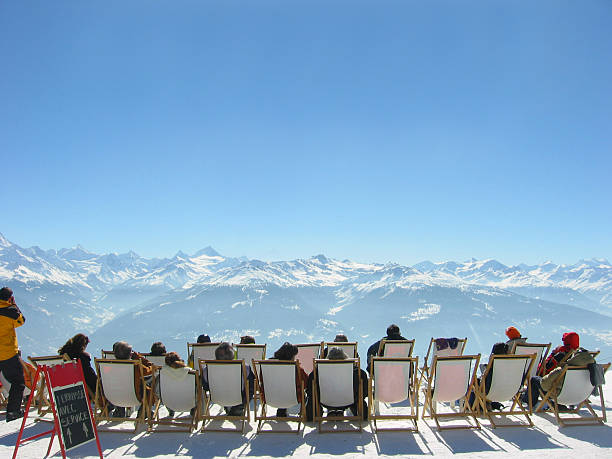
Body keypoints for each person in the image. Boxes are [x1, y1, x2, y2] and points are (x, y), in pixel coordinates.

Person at [306, 347, 368, 421]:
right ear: (344, 356)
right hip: (349, 401)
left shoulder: (317, 372)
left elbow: (310, 391)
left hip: (325, 401)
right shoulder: (356, 371)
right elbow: (364, 392)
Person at [201, 343, 254, 416]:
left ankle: (228, 406)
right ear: (233, 355)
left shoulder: (206, 369)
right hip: (238, 399)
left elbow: (205, 386)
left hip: (217, 398)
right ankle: (238, 408)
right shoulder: (245, 367)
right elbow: (253, 386)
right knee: (250, 385)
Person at [0, 287, 26, 422]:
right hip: (7, 353)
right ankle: (13, 411)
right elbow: (21, 321)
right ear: (10, 298)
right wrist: (14, 305)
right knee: (18, 381)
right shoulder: (11, 311)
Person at [111, 341, 154, 418]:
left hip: (113, 396)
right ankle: (144, 411)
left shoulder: (108, 366)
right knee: (148, 389)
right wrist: (138, 357)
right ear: (131, 354)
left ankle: (119, 409)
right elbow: (150, 370)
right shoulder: (135, 366)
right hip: (133, 397)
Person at [270, 342, 309, 417]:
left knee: (281, 388)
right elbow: (306, 382)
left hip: (270, 397)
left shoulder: (268, 366)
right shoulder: (297, 369)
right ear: (291, 356)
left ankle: (281, 410)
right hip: (293, 398)